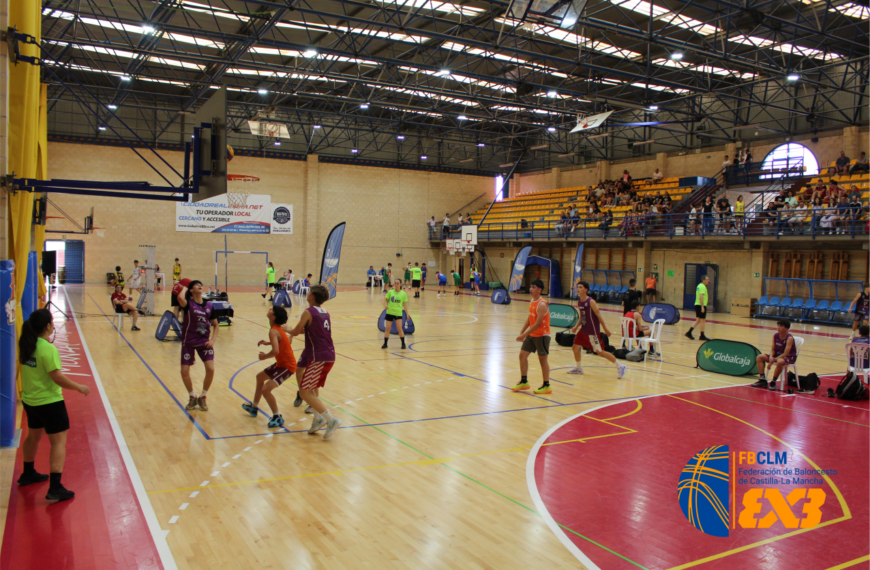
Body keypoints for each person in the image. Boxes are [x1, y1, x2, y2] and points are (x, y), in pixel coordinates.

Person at [17, 308, 91, 501]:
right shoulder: (47, 348)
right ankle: (55, 488)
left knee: (33, 437)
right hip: (49, 403)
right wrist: (79, 387)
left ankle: (28, 473)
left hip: (30, 401)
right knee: (58, 443)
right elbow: (57, 377)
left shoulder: (26, 344)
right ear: (48, 326)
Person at [283, 285, 341, 440]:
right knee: (310, 385)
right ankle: (317, 418)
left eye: (309, 293)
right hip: (326, 354)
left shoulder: (308, 312)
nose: (307, 294)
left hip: (319, 356)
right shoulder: (324, 312)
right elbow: (310, 329)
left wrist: (287, 329)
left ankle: (331, 420)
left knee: (304, 392)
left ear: (312, 296)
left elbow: (296, 332)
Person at [241, 306, 297, 428]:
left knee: (266, 390)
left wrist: (264, 356)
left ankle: (277, 417)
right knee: (259, 377)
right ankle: (254, 408)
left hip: (288, 366)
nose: (269, 308)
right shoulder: (277, 329)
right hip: (281, 364)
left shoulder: (273, 331)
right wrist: (268, 342)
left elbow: (275, 351)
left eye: (272, 309)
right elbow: (283, 340)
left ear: (273, 317)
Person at [567, 280, 626, 378]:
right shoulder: (579, 302)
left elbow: (599, 315)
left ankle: (620, 366)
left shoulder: (591, 301)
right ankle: (578, 368)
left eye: (581, 287)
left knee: (600, 352)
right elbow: (582, 316)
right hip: (583, 330)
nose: (578, 289)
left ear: (586, 290)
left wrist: (605, 329)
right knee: (575, 347)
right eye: (578, 287)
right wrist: (576, 326)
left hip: (592, 331)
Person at [177, 280, 219, 411]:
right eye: (196, 285)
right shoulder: (188, 304)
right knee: (184, 371)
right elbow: (179, 297)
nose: (200, 286)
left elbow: (216, 325)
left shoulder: (209, 306)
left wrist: (212, 340)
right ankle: (192, 397)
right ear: (191, 290)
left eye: (201, 284)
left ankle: (203, 397)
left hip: (204, 341)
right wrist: (184, 287)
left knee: (211, 369)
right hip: (188, 341)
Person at [512, 280, 554, 394]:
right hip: (532, 334)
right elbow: (530, 318)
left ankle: (546, 385)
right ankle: (524, 381)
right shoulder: (532, 301)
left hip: (542, 335)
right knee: (522, 355)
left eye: (533, 287)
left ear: (539, 290)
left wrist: (524, 335)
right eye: (530, 286)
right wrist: (522, 331)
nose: (530, 289)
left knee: (542, 360)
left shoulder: (542, 304)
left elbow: (538, 323)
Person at [751, 320, 797, 390]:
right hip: (777, 355)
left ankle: (773, 381)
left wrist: (772, 361)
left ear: (786, 329)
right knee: (759, 357)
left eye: (781, 326)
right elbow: (773, 349)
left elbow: (785, 354)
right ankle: (762, 379)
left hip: (789, 357)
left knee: (780, 362)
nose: (778, 327)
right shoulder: (775, 335)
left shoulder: (789, 338)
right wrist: (771, 357)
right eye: (778, 325)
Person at [382, 278, 408, 349]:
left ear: (400, 284)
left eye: (397, 283)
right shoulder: (390, 292)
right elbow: (386, 300)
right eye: (395, 283)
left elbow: (405, 305)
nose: (396, 284)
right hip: (390, 312)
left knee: (399, 329)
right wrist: (386, 305)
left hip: (398, 313)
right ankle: (385, 343)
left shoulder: (403, 294)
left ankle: (403, 343)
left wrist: (407, 314)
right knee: (388, 328)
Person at [685, 275, 711, 341]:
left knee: (698, 320)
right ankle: (702, 335)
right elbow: (701, 296)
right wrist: (702, 306)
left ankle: (689, 332)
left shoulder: (699, 286)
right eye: (707, 279)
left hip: (697, 305)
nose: (708, 281)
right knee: (702, 320)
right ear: (703, 280)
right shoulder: (702, 287)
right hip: (700, 305)